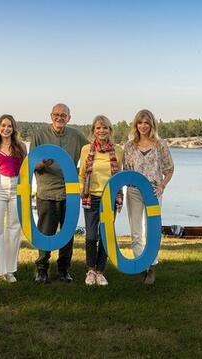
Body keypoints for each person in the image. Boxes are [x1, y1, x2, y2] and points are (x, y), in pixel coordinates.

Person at [31, 103, 89, 283]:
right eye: (56, 115)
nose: (59, 118)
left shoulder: (76, 135)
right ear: (51, 116)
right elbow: (31, 164)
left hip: (70, 193)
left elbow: (91, 154)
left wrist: (82, 172)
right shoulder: (40, 135)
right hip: (46, 192)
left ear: (69, 118)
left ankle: (64, 269)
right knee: (45, 232)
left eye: (63, 115)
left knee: (67, 233)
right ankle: (42, 269)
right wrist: (42, 164)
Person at [123, 109, 174, 284]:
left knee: (152, 230)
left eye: (146, 122)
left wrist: (162, 185)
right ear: (135, 125)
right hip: (134, 191)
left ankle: (151, 266)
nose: (143, 126)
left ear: (151, 124)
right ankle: (140, 265)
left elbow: (169, 169)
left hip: (153, 192)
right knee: (136, 229)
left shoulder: (161, 145)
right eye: (140, 122)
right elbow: (126, 170)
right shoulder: (129, 146)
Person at [78, 115, 123, 286]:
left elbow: (119, 175)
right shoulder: (86, 150)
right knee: (91, 235)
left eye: (105, 128)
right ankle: (90, 270)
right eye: (98, 128)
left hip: (110, 198)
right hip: (92, 196)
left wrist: (119, 195)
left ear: (110, 131)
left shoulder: (118, 151)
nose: (101, 131)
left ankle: (100, 271)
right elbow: (82, 174)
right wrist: (82, 190)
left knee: (105, 235)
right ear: (93, 131)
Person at [0, 115, 27, 286]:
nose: (6, 129)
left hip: (16, 187)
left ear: (13, 128)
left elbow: (25, 166)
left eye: (9, 126)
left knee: (14, 228)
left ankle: (9, 270)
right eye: (3, 126)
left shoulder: (21, 146)